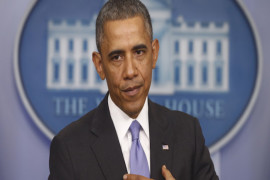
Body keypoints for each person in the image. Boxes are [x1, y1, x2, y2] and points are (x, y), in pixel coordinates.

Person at [48, 0, 219, 179]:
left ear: (154, 53)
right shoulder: (69, 147)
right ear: (99, 65)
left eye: (139, 52)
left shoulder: (188, 134)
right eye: (117, 57)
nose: (130, 71)